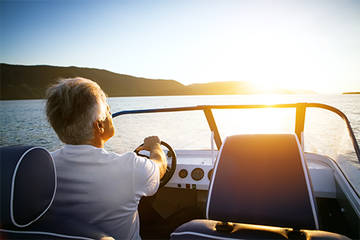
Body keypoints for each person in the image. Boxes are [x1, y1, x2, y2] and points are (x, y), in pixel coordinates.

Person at [46, 77, 169, 240]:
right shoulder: (129, 167)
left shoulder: (43, 167)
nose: (111, 112)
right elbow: (160, 167)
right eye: (108, 109)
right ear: (99, 126)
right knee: (191, 212)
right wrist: (155, 145)